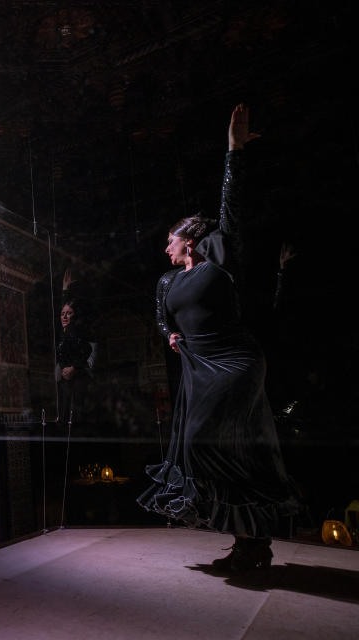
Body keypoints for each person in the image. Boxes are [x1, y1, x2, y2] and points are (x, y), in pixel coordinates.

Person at [138, 104, 299, 571]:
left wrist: (233, 153)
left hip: (235, 363)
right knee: (217, 448)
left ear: (188, 237)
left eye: (170, 239)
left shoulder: (218, 258)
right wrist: (169, 334)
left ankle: (252, 540)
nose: (165, 248)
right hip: (197, 370)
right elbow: (161, 318)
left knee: (208, 442)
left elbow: (233, 211)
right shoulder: (166, 283)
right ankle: (251, 541)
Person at [54, 299, 95, 423]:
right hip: (64, 381)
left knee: (76, 414)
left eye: (69, 313)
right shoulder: (63, 334)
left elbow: (87, 349)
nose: (65, 317)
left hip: (77, 380)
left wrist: (74, 367)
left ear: (75, 316)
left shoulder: (77, 333)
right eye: (62, 314)